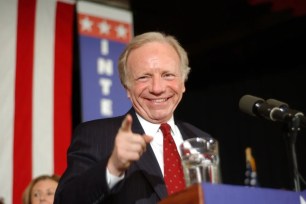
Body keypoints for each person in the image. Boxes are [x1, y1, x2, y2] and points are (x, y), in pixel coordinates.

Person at [54, 31, 213, 203]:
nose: (157, 88)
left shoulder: (201, 139)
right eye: (144, 77)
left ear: (182, 83)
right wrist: (113, 167)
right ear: (127, 88)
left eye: (167, 75)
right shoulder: (96, 135)